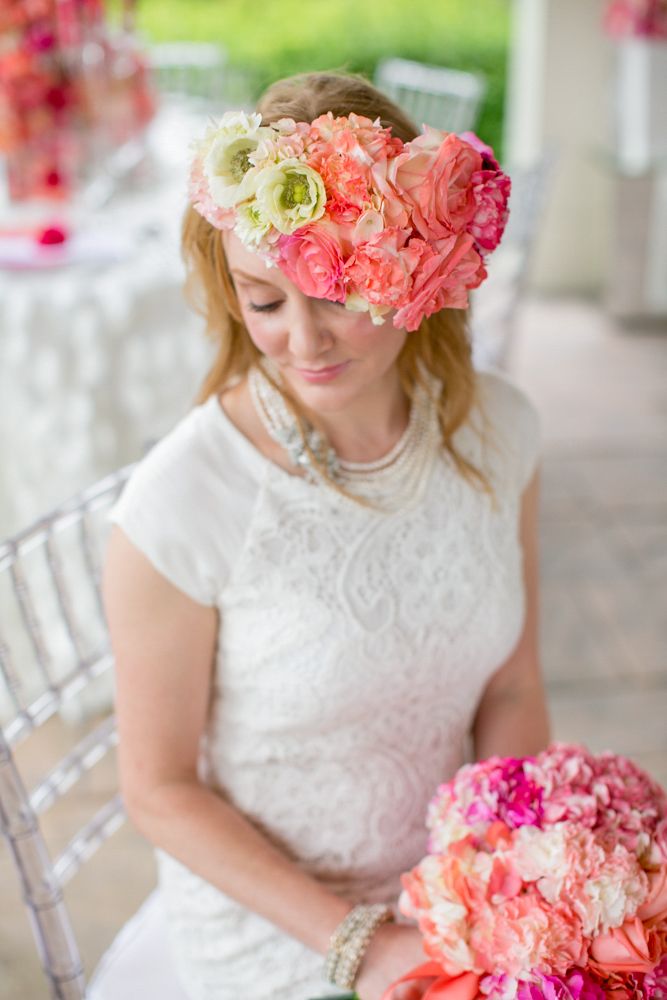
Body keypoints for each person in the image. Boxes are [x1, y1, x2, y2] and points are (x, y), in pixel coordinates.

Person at [102, 70, 551, 1000]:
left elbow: (510, 683)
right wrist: (365, 945)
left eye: (339, 291)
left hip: (452, 891)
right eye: (264, 302)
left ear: (418, 269)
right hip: (279, 927)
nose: (304, 343)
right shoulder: (183, 501)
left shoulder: (500, 432)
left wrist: (502, 875)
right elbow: (157, 788)